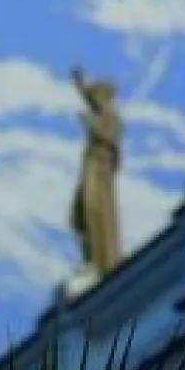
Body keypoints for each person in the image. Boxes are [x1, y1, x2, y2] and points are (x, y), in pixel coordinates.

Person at [69, 66, 122, 276]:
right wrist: (80, 83)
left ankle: (100, 259)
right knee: (80, 213)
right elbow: (88, 96)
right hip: (91, 166)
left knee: (93, 209)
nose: (93, 101)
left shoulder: (111, 117)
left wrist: (92, 126)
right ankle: (91, 257)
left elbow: (109, 138)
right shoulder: (102, 113)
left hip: (99, 169)